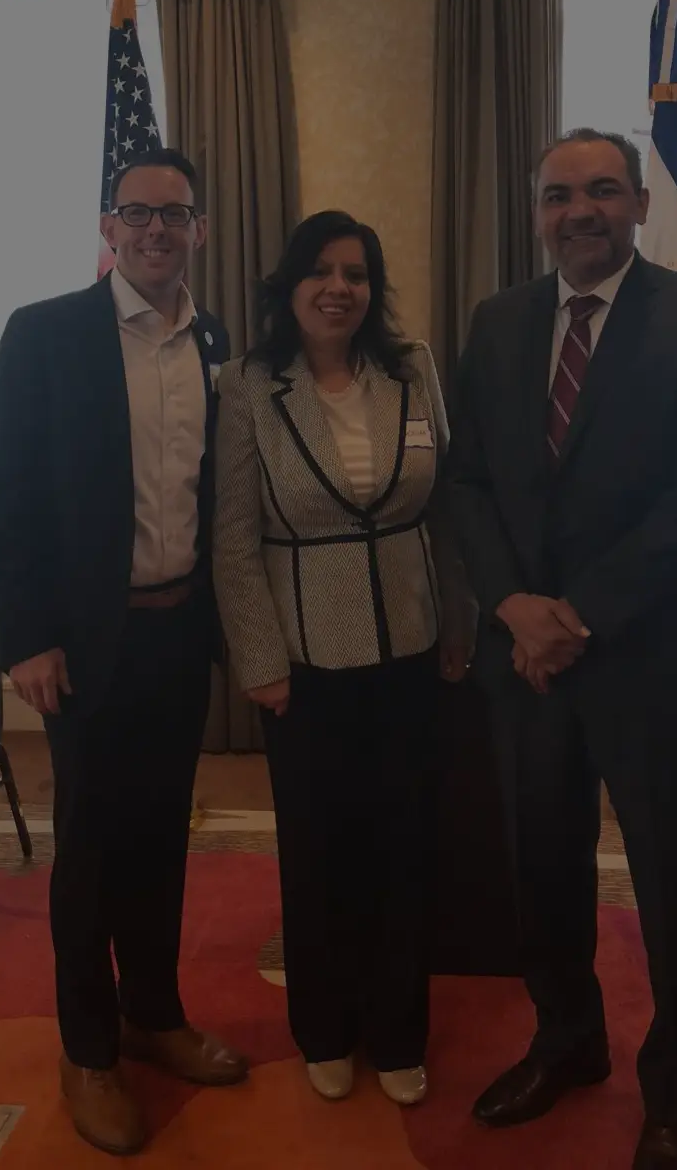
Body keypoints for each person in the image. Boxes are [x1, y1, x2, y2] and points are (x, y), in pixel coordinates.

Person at [445, 128, 677, 1170]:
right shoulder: (496, 323)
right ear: (538, 211)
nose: (580, 210)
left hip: (647, 657)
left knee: (669, 883)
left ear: (637, 205)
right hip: (525, 663)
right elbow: (469, 482)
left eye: (604, 191)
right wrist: (511, 605)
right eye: (559, 194)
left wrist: (572, 615)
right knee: (541, 868)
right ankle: (567, 1040)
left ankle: (676, 1095)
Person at [0, 148, 247, 1157]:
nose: (155, 230)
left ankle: (153, 1015)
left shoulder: (213, 339)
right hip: (86, 643)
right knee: (90, 850)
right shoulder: (45, 333)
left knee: (160, 838)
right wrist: (28, 637)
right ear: (108, 226)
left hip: (178, 633)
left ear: (199, 230)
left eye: (174, 214)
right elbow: (3, 494)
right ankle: (87, 1048)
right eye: (136, 213)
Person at [212, 210, 470, 1110]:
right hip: (304, 658)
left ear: (373, 289)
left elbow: (446, 509)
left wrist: (459, 623)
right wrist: (260, 659)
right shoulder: (248, 384)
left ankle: (398, 1033)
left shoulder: (413, 369)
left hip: (410, 644)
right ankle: (323, 1027)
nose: (338, 288)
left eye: (356, 274)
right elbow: (233, 538)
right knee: (319, 850)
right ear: (289, 286)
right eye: (320, 271)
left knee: (404, 847)